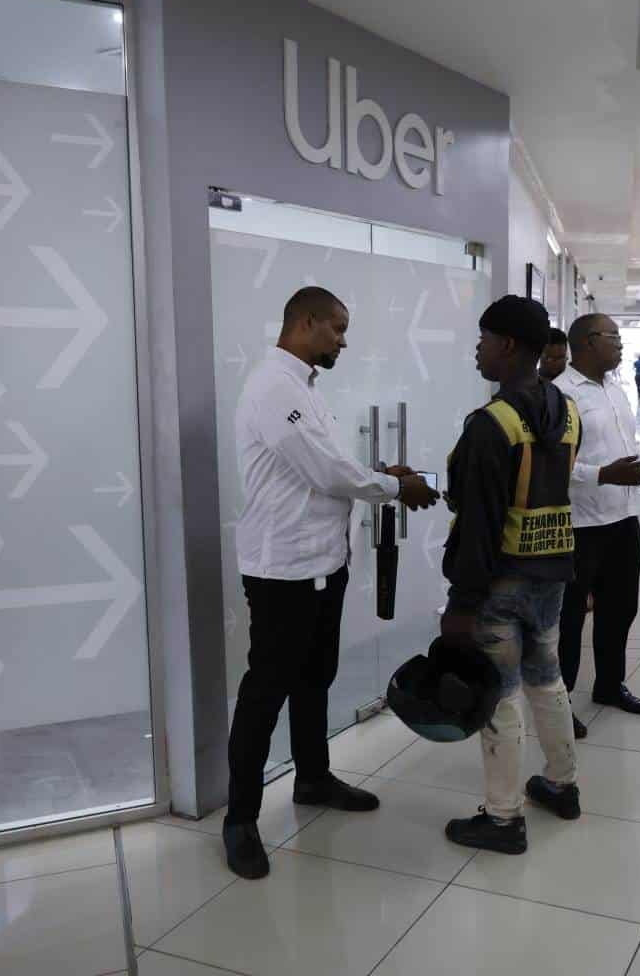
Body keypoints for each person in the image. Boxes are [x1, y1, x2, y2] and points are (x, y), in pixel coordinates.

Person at [224, 286, 440, 880]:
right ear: (306, 321)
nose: (344, 340)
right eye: (337, 329)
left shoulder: (306, 391)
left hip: (324, 562)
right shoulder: (274, 387)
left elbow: (327, 466)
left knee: (316, 676)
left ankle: (312, 777)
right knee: (266, 690)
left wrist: (380, 474)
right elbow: (324, 470)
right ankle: (239, 819)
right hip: (282, 571)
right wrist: (398, 487)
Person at [440, 296, 582, 854]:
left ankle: (502, 819)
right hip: (551, 574)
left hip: (499, 582)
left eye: (483, 338)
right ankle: (561, 784)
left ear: (509, 347)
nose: (477, 348)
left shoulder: (491, 424)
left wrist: (462, 602)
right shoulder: (567, 413)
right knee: (547, 678)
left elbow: (479, 522)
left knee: (498, 694)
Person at [555, 314, 640, 737]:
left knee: (621, 608)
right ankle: (558, 701)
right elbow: (551, 464)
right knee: (570, 617)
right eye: (612, 337)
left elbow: (622, 445)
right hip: (580, 523)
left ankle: (610, 685)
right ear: (584, 343)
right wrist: (603, 474)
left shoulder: (615, 390)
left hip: (623, 517)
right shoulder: (561, 395)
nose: (619, 343)